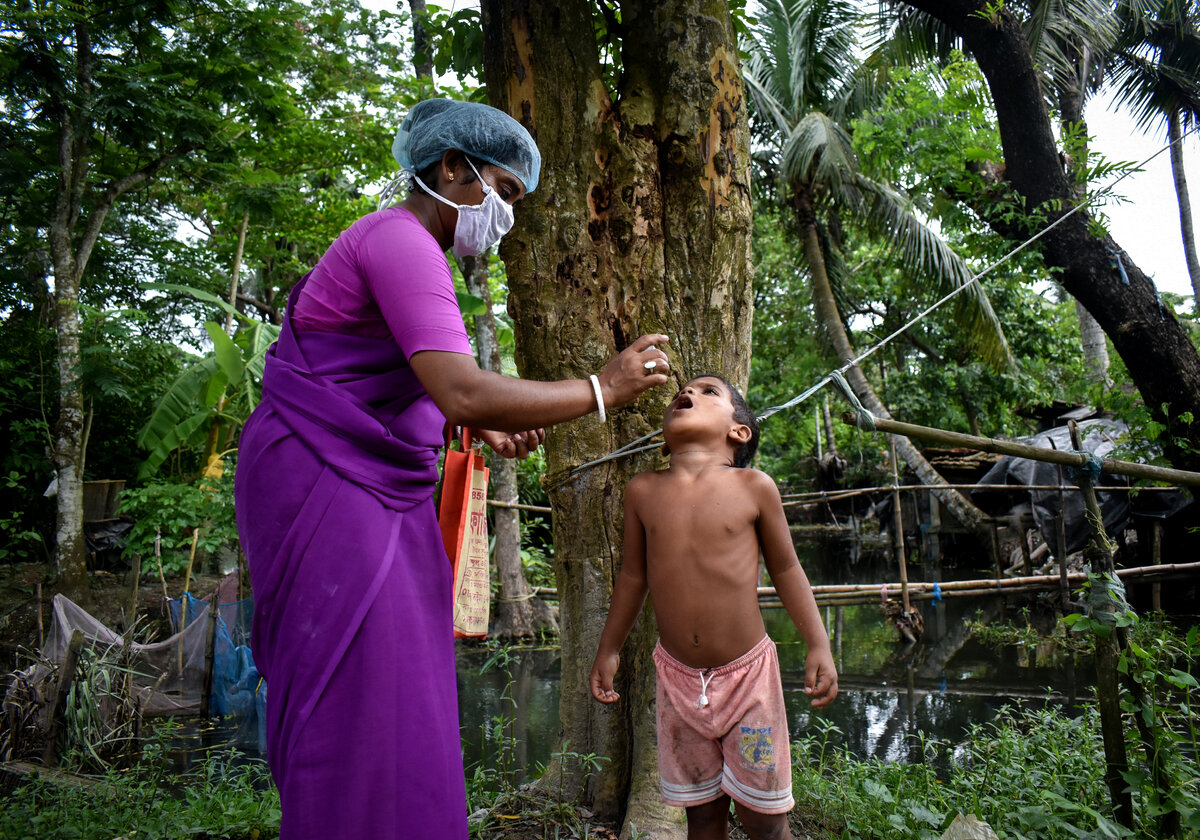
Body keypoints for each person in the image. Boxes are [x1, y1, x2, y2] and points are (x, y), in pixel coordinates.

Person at [235, 98, 671, 840]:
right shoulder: (401, 242)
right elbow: (460, 382)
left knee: (403, 686)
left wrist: (467, 423)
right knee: (356, 687)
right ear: (451, 168)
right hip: (326, 481)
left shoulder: (415, 251)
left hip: (373, 485)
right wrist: (604, 388)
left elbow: (399, 380)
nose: (505, 214)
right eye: (502, 192)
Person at [589, 374, 837, 840]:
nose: (688, 394)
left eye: (708, 392)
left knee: (764, 820)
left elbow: (787, 571)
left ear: (738, 431)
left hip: (749, 681)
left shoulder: (754, 486)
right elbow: (633, 577)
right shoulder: (643, 491)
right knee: (702, 816)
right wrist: (609, 649)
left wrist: (818, 643)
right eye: (682, 392)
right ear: (664, 441)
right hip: (677, 681)